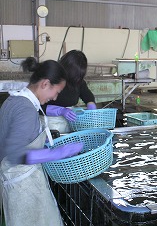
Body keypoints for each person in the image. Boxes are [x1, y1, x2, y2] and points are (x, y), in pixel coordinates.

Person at [0, 57, 83, 226]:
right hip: (22, 187)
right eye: (56, 92)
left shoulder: (16, 100)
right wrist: (58, 153)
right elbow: (15, 155)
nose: (54, 98)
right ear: (45, 84)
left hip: (19, 181)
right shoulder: (25, 109)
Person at [42, 50, 97, 132]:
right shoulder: (51, 79)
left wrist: (91, 104)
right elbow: (37, 107)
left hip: (70, 122)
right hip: (50, 122)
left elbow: (87, 96)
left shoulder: (78, 81)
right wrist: (59, 111)